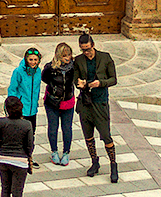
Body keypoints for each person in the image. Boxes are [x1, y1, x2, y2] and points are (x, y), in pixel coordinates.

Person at [75, 31, 118, 182]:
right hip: (86, 102)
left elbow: (113, 79)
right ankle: (94, 162)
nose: (86, 52)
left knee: (106, 135)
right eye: (83, 50)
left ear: (93, 45)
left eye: (88, 49)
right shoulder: (79, 60)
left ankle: (113, 164)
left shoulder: (105, 57)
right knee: (88, 136)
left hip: (100, 102)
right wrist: (80, 83)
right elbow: (76, 79)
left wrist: (101, 83)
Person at [0, 95, 34, 197]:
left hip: (3, 159)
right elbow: (29, 146)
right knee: (17, 192)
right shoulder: (27, 125)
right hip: (20, 161)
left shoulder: (0, 122)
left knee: (5, 189)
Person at [42, 42, 78, 167]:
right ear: (58, 56)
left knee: (67, 128)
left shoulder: (74, 67)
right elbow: (45, 79)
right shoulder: (50, 68)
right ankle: (54, 151)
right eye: (64, 56)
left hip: (68, 101)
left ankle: (66, 152)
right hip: (52, 102)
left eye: (69, 55)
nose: (67, 58)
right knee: (53, 128)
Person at [7, 49, 44, 168]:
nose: (33, 62)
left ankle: (29, 157)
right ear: (26, 59)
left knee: (31, 133)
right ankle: (19, 156)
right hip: (21, 109)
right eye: (30, 59)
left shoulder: (38, 71)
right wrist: (13, 105)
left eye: (35, 60)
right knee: (20, 134)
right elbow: (12, 89)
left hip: (32, 109)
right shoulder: (18, 72)